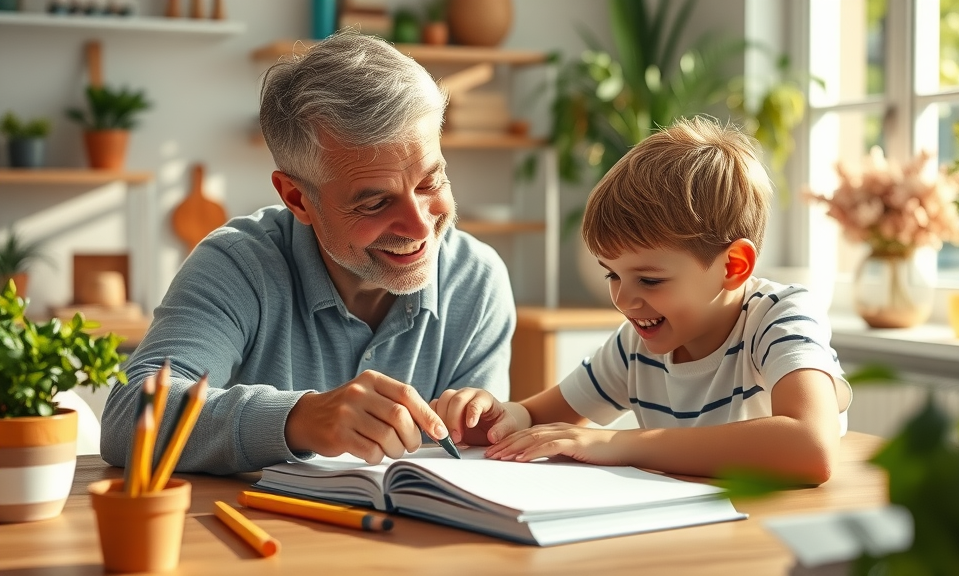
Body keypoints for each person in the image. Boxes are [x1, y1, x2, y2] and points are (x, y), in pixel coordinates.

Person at [100, 31, 516, 475]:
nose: (420, 227)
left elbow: (475, 466)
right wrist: (300, 418)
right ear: (297, 199)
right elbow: (131, 417)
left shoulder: (477, 279)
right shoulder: (237, 266)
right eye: (375, 203)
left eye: (431, 183)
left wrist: (487, 425)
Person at [432, 116, 852, 484]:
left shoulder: (781, 317)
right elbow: (540, 415)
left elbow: (811, 447)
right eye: (612, 274)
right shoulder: (635, 347)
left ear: (733, 266)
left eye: (649, 280)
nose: (623, 299)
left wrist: (622, 443)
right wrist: (499, 418)